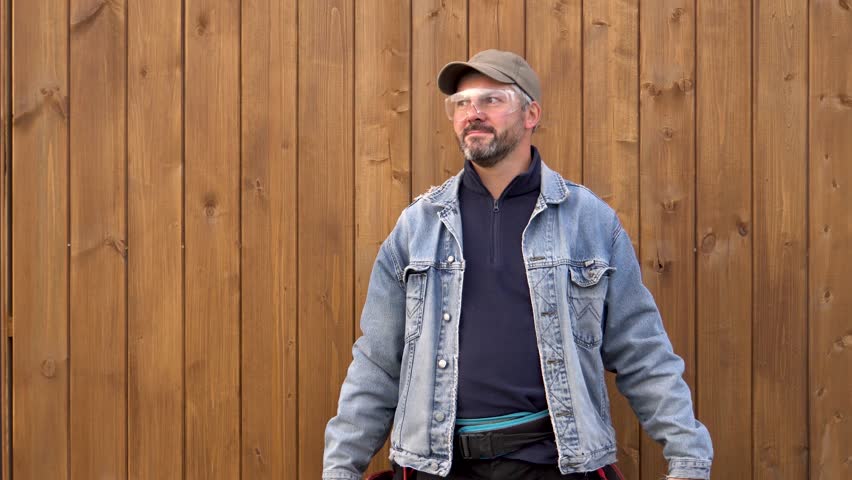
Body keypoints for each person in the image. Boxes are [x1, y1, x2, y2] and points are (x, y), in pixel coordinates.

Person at [322, 49, 713, 480]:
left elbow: (644, 353)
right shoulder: (417, 227)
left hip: (551, 462)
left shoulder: (589, 221)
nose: (473, 112)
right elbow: (377, 363)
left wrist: (688, 457)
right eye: (462, 103)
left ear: (531, 114)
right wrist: (341, 468)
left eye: (491, 100)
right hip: (438, 465)